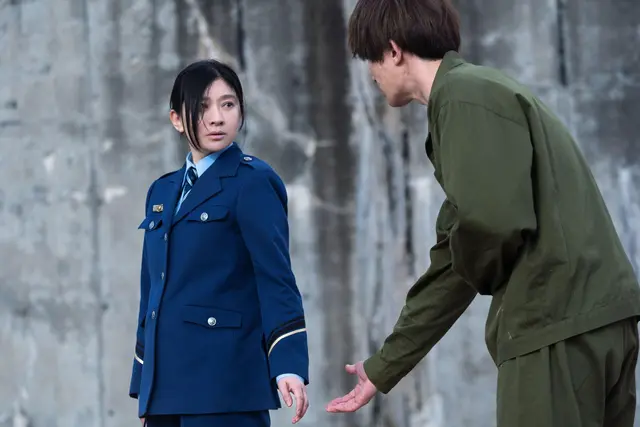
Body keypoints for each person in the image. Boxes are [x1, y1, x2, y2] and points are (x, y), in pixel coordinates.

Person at [325, 0, 640, 426]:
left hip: (552, 325)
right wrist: (385, 365)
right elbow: (458, 255)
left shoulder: (462, 98)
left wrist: (479, 267)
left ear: (394, 50)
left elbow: (490, 224)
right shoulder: (481, 94)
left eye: (370, 58)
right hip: (595, 321)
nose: (371, 74)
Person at [128, 59, 310, 427]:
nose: (216, 118)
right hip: (166, 392)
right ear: (177, 119)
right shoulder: (161, 191)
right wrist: (145, 387)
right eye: (202, 107)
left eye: (228, 105)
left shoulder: (252, 181)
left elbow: (275, 278)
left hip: (226, 385)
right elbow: (152, 294)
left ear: (241, 113)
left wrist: (288, 364)